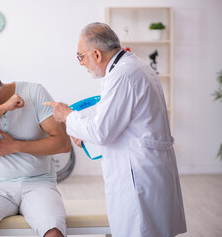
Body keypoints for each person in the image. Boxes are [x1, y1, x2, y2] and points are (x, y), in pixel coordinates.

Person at [45, 22, 187, 237]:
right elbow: (123, 124)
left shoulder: (122, 76)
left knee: (140, 230)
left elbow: (102, 131)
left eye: (80, 57)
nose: (81, 63)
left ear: (96, 54)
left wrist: (67, 116)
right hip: (146, 167)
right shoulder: (134, 66)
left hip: (138, 174)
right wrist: (85, 136)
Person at [0, 59, 71, 237]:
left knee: (54, 232)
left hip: (38, 184)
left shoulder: (34, 93)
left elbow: (63, 144)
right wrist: (2, 108)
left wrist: (16, 146)